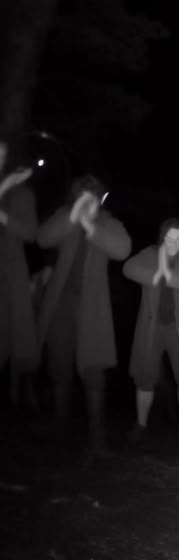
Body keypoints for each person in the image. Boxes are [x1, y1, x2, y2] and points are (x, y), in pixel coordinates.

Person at [37, 175, 131, 453]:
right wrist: (74, 217)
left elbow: (122, 249)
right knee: (59, 366)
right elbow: (43, 238)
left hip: (93, 308)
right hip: (60, 305)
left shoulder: (108, 223)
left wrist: (89, 224)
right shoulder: (65, 216)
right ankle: (59, 426)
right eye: (84, 196)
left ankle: (97, 435)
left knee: (93, 369)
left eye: (94, 197)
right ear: (76, 197)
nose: (90, 201)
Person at [124, 218, 179, 442]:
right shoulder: (150, 254)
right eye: (169, 239)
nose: (173, 244)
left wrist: (169, 277)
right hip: (151, 327)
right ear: (162, 237)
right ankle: (140, 425)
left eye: (178, 240)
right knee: (145, 377)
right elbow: (128, 268)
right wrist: (155, 276)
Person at [0, 140, 39, 413]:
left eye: (1, 155)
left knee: (14, 337)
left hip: (10, 272)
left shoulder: (21, 194)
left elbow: (30, 233)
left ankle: (19, 394)